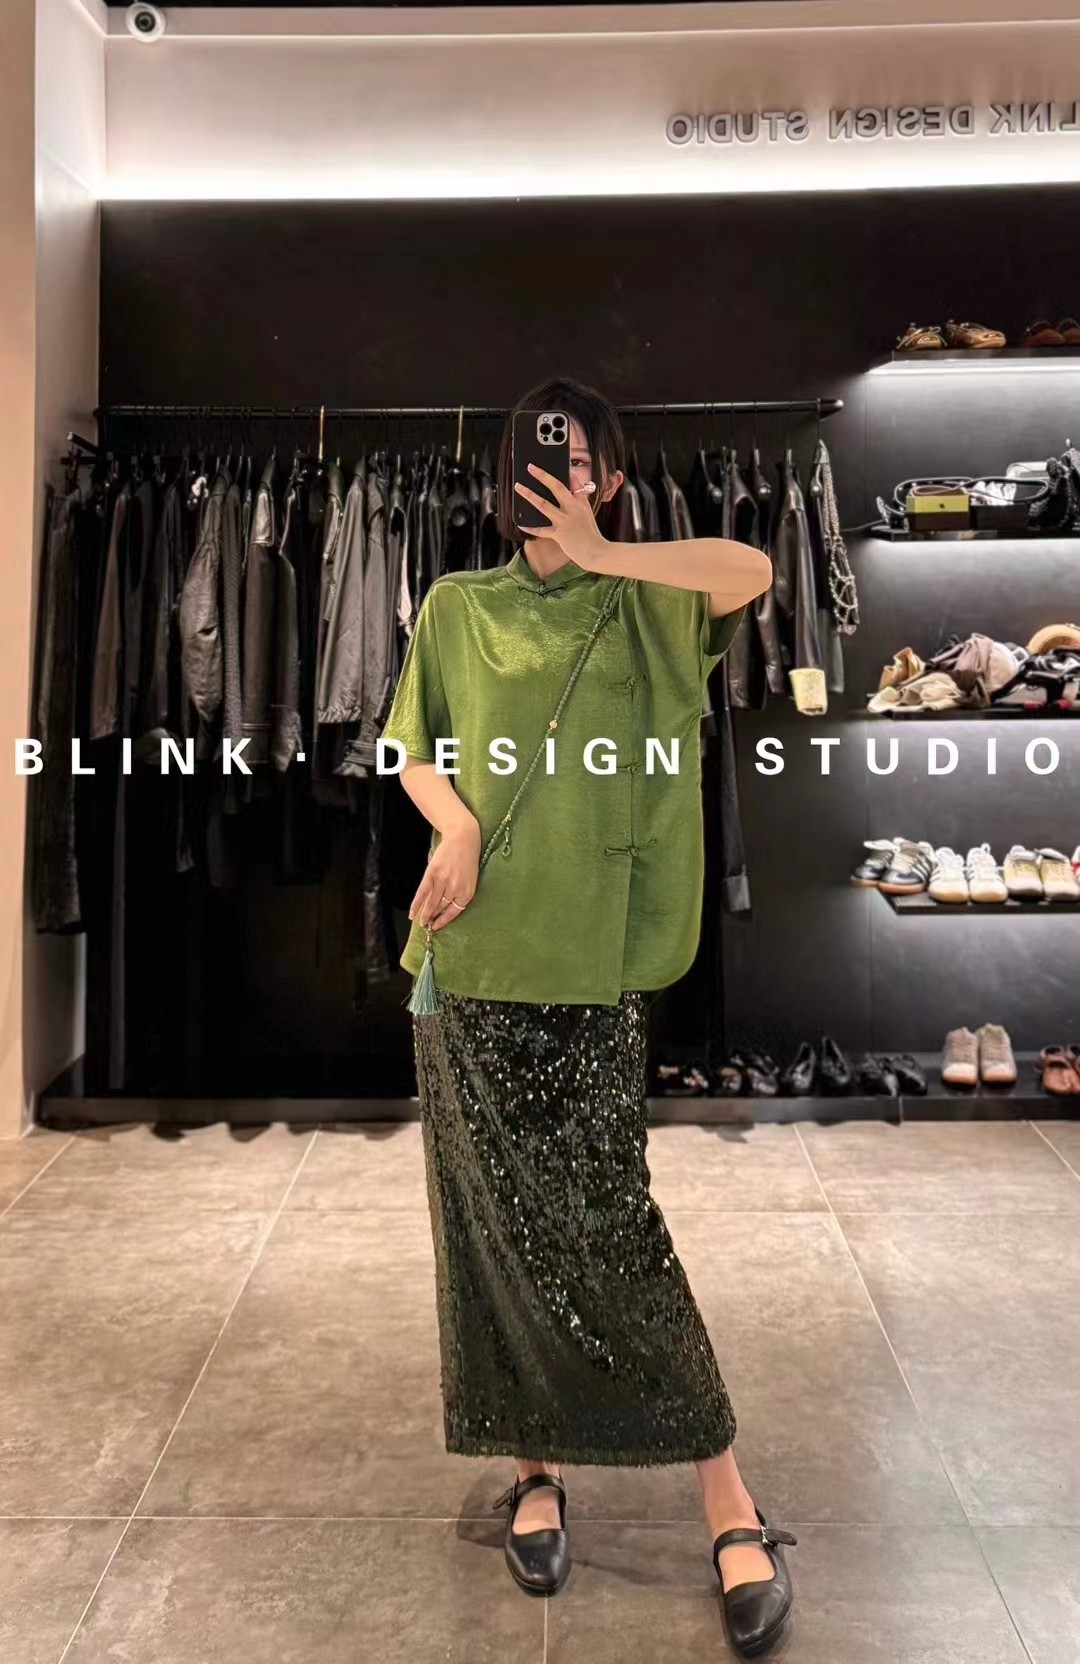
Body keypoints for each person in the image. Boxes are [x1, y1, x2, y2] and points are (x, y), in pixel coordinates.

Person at [380, 376, 797, 1657]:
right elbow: (410, 745)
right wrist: (455, 823)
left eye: (579, 459)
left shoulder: (654, 598)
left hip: (599, 962)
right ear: (503, 473)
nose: (556, 475)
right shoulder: (457, 605)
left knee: (612, 1225)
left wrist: (609, 548)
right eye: (536, 456)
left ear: (610, 475)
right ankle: (536, 1467)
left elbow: (755, 570)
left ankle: (728, 1495)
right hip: (471, 957)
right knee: (494, 1234)